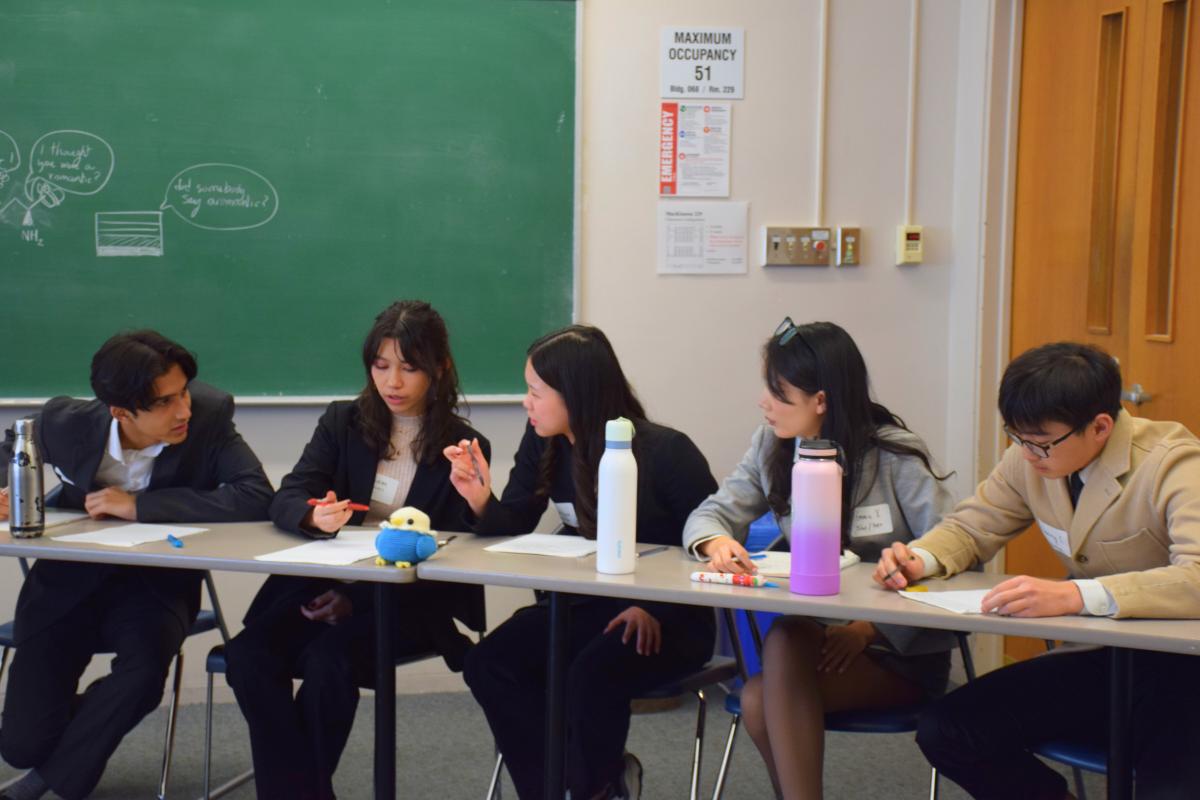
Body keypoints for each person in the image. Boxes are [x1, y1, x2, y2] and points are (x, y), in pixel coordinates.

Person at [874, 342, 1200, 799]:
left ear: (1101, 427)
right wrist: (920, 559)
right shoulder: (1031, 457)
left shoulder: (1173, 463)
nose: (1027, 454)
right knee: (949, 729)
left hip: (1184, 670)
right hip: (1104, 658)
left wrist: (1077, 596)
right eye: (1017, 438)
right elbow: (971, 527)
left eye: (1040, 443)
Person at [223, 300, 490, 800]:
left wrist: (356, 602)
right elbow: (286, 495)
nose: (392, 382)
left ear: (440, 369)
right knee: (247, 656)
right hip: (316, 589)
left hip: (403, 605)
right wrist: (311, 514)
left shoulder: (463, 445)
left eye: (409, 368)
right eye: (381, 365)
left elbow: (450, 551)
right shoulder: (343, 422)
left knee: (330, 663)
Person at [684, 318, 957, 799]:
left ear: (821, 401)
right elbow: (713, 512)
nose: (763, 403)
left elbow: (951, 557)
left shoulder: (896, 456)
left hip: (899, 653)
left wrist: (870, 627)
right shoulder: (772, 443)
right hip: (817, 640)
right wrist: (716, 543)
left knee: (759, 692)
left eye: (778, 393)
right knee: (761, 682)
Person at [445, 324, 718, 800]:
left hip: (670, 617)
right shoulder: (544, 443)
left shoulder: (667, 452)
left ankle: (594, 786)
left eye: (535, 392)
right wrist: (481, 499)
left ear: (576, 392)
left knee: (590, 673)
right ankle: (561, 788)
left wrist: (656, 606)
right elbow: (516, 521)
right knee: (489, 661)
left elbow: (707, 546)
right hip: (588, 608)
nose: (526, 403)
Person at [0, 331, 273, 800]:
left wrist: (141, 506)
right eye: (166, 402)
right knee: (21, 744)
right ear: (121, 411)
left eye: (185, 391)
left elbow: (256, 494)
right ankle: (55, 753)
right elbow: (12, 446)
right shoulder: (63, 422)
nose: (184, 409)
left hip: (156, 587)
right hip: (66, 585)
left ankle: (50, 780)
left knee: (144, 675)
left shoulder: (208, 418)